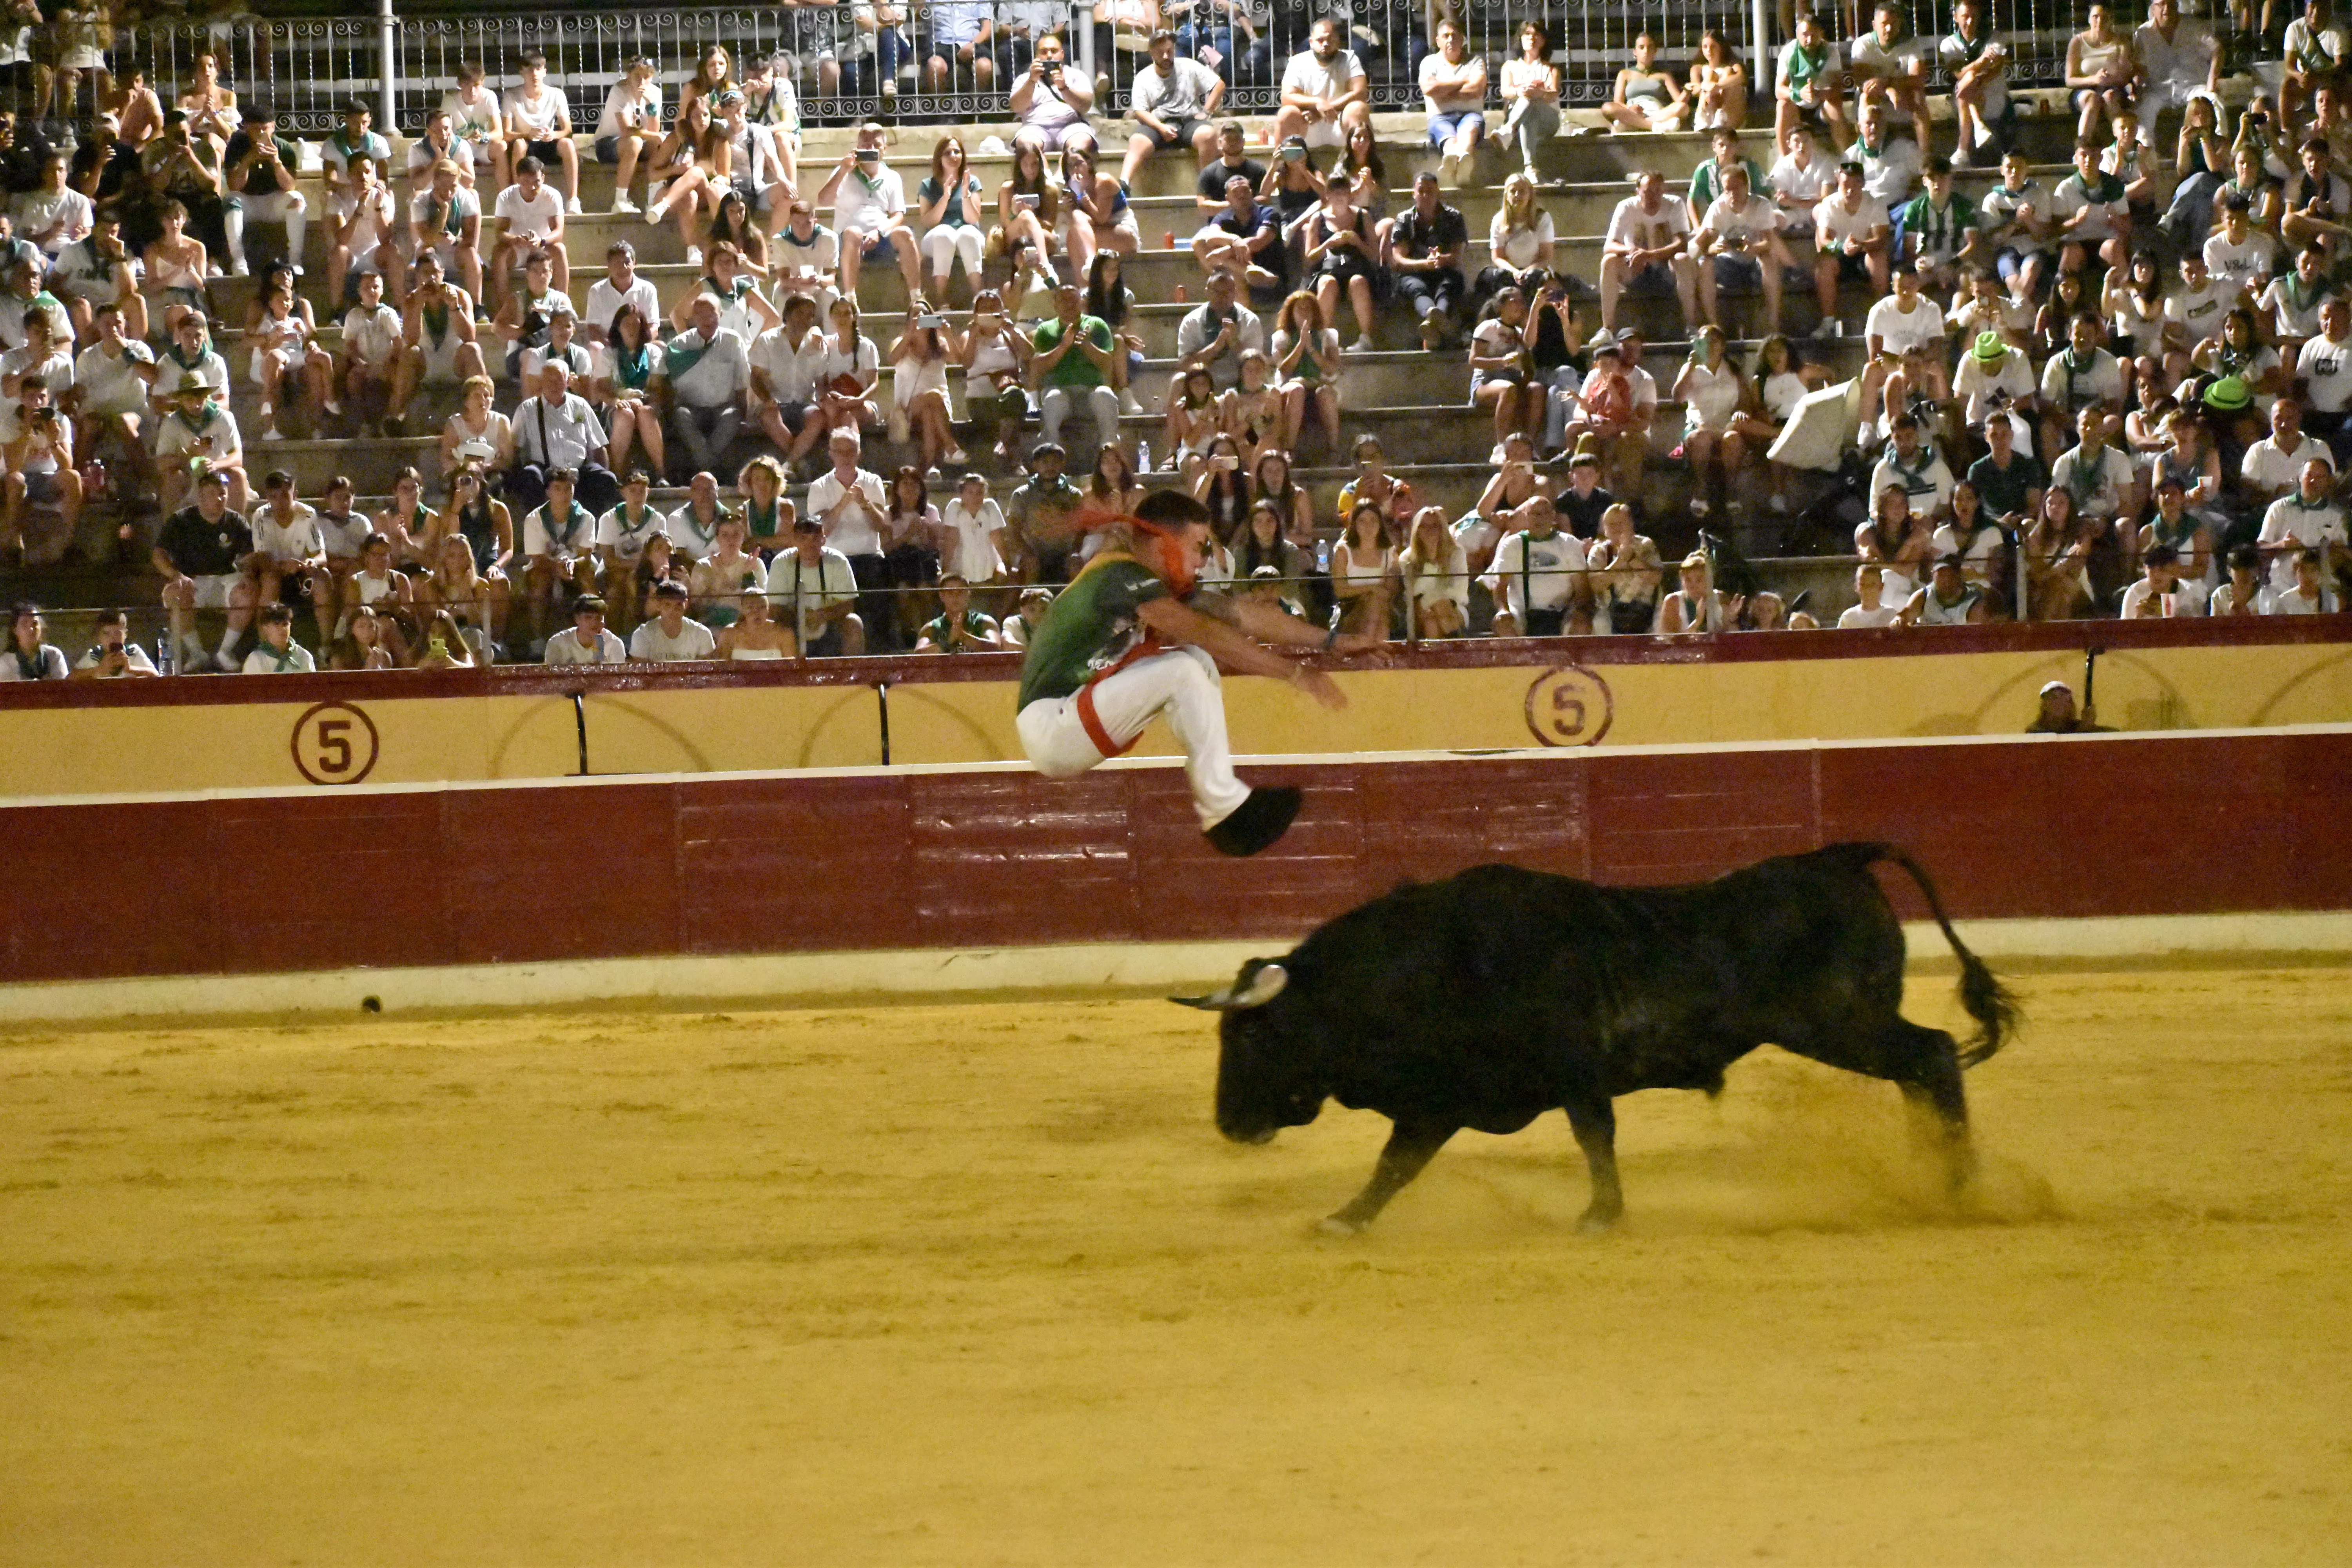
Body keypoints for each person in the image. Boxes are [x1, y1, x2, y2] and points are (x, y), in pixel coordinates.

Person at [1015, 488, 1371, 857]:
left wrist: (1331, 640)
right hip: (1054, 726)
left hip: (1074, 716)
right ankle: (1224, 808)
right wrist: (1296, 674)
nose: (1203, 561)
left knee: (1195, 661)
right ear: (1163, 542)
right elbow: (1204, 629)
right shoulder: (1121, 575)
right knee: (1184, 668)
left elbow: (1243, 615)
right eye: (1198, 545)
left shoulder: (1141, 580)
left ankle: (1220, 796)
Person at [153, 468, 259, 672]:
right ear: (201, 497)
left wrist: (249, 574)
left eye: (223, 494)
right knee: (175, 594)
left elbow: (250, 556)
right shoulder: (181, 520)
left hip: (226, 579)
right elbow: (158, 555)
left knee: (249, 592)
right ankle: (197, 653)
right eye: (213, 494)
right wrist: (176, 575)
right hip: (192, 581)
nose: (220, 499)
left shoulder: (236, 521)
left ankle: (225, 652)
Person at [1600, 169, 1698, 338]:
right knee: (1609, 261)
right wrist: (1631, 251)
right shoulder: (1626, 207)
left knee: (1683, 259)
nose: (1653, 197)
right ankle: (1607, 329)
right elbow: (1609, 245)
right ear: (1638, 192)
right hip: (1636, 269)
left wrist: (1651, 254)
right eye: (1647, 192)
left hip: (1667, 270)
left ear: (1664, 191)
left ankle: (1691, 325)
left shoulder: (1675, 204)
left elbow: (1682, 243)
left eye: (1658, 192)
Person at [1696, 162, 1789, 338]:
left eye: (1736, 189)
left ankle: (1773, 324)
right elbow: (1704, 246)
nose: (1731, 194)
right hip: (1727, 262)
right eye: (1727, 190)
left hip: (1753, 261)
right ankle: (1713, 325)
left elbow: (1770, 242)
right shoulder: (1717, 208)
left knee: (1769, 261)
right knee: (1705, 265)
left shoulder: (1761, 205)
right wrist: (1713, 248)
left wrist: (1754, 248)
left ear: (1746, 187)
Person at [665, 294, 751, 480]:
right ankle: (713, 468)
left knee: (734, 416)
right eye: (700, 315)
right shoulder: (680, 346)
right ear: (692, 318)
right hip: (692, 408)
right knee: (680, 415)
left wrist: (744, 414)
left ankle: (699, 468)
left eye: (712, 314)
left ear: (721, 315)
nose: (707, 320)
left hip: (723, 408)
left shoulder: (733, 341)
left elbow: (742, 383)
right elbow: (670, 388)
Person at [1122, 29, 1223, 187]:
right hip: (1159, 122)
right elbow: (1140, 112)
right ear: (1152, 53)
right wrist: (1161, 127)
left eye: (1169, 51)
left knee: (1208, 135)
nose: (1166, 57)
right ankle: (1124, 184)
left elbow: (1219, 85)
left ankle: (1206, 187)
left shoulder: (1189, 66)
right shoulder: (1143, 77)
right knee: (1137, 140)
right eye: (1160, 53)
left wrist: (1207, 111)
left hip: (1190, 120)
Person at [220, 102, 305, 279]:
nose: (260, 134)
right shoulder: (237, 145)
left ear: (273, 127)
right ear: (246, 127)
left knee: (297, 200)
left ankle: (295, 261)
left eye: (264, 129)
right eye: (255, 129)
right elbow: (235, 186)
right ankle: (239, 261)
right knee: (231, 200)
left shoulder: (283, 148)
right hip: (248, 202)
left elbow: (290, 186)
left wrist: (276, 162)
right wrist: (248, 160)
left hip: (274, 202)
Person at [1031, 283, 1119, 453]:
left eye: (1074, 300)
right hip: (1058, 390)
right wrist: (1064, 347)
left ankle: (1109, 453)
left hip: (1091, 391)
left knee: (1106, 396)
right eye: (1064, 300)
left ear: (1081, 303)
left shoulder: (1097, 325)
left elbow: (1108, 363)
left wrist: (1087, 346)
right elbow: (1040, 366)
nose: (1069, 304)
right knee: (1053, 399)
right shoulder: (1045, 330)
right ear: (1055, 305)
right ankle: (1052, 455)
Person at [1391, 169, 1467, 351]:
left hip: (1444, 271)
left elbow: (1457, 256)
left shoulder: (1454, 217)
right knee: (1414, 286)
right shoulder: (1404, 219)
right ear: (1414, 194)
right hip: (1415, 273)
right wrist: (1424, 264)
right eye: (1421, 191)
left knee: (1449, 284)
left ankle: (1433, 322)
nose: (1425, 196)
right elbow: (1398, 259)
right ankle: (1434, 315)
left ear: (1438, 193)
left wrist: (1441, 260)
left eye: (1430, 192)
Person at [772, 514, 866, 654]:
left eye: (815, 539)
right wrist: (801, 618)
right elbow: (774, 609)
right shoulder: (781, 563)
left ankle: (850, 674)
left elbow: (848, 605)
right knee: (773, 627)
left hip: (830, 624)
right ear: (794, 540)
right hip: (792, 625)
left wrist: (821, 615)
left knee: (854, 623)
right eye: (803, 539)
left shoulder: (838, 561)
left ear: (824, 540)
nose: (809, 545)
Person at [1274, 16, 1369, 154]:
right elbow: (1287, 98)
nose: (1325, 44)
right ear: (1311, 42)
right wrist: (1317, 103)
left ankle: (1360, 170)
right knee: (1286, 113)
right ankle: (1285, 170)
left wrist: (1323, 112)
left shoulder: (1350, 59)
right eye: (1320, 40)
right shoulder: (1297, 62)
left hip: (1340, 124)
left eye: (1330, 40)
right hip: (1308, 126)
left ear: (1338, 41)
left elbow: (1361, 93)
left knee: (1358, 108)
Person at [503, 53, 583, 215]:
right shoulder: (511, 95)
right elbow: (507, 134)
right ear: (522, 72)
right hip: (525, 143)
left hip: (548, 142)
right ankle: (516, 198)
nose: (534, 74)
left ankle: (573, 200)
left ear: (545, 71)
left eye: (538, 69)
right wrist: (527, 133)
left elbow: (567, 130)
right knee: (518, 145)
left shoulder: (556, 94)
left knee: (567, 144)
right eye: (529, 69)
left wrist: (553, 135)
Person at [409, 156, 485, 306]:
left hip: (455, 249)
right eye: (444, 185)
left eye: (454, 186)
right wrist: (444, 210)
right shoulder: (420, 202)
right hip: (433, 249)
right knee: (425, 252)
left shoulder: (465, 198)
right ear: (435, 181)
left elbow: (471, 239)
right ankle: (423, 304)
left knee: (471, 254)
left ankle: (477, 307)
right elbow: (427, 238)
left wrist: (455, 240)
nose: (449, 192)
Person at [1942, 0, 2010, 166]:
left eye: (1974, 17)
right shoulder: (1949, 44)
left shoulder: (1994, 38)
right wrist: (1981, 61)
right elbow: (1958, 73)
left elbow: (1996, 68)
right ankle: (1978, 127)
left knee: (1969, 79)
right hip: (1963, 98)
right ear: (1956, 17)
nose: (1970, 21)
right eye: (1965, 16)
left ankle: (1962, 149)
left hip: (1991, 96)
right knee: (1968, 78)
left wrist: (1975, 80)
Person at [1419, 20, 1487, 183]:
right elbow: (1429, 89)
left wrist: (1443, 92)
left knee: (1470, 132)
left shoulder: (1476, 61)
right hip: (1440, 117)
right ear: (1438, 41)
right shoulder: (1429, 62)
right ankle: (1461, 169)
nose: (1451, 40)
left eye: (1455, 36)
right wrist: (1463, 82)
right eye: (1446, 36)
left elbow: (1476, 89)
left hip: (1470, 115)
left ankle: (1456, 166)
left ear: (1463, 40)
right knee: (1449, 140)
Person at [1009, 30, 1095, 155]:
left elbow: (1085, 106)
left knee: (1081, 143)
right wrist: (1032, 81)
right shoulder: (1024, 79)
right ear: (1036, 56)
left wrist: (1064, 88)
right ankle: (1046, 173)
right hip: (1035, 128)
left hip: (1071, 126)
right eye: (1044, 52)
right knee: (1027, 145)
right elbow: (1017, 107)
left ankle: (1061, 173)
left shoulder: (1077, 76)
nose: (1049, 56)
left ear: (1062, 54)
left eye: (1054, 51)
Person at [1775, 11, 1851, 154]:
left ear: (1821, 34)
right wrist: (1799, 93)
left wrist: (1819, 93)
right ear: (1798, 34)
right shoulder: (1788, 52)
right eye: (1805, 35)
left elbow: (1839, 86)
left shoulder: (1830, 51)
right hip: (1797, 104)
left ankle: (1845, 157)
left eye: (1814, 35)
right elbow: (1779, 90)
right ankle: (1784, 160)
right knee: (1783, 105)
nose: (1809, 40)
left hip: (1821, 103)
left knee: (1835, 104)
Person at [596, 56, 663, 215]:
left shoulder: (655, 93)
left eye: (646, 78)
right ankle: (620, 200)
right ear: (628, 75)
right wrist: (654, 136)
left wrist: (651, 105)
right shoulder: (619, 91)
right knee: (635, 142)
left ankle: (653, 199)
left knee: (658, 144)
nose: (642, 83)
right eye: (637, 77)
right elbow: (626, 130)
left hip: (639, 144)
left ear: (652, 77)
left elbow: (654, 130)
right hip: (609, 143)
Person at [1498, 20, 1562, 181]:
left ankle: (1508, 131)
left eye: (1537, 35)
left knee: (1531, 100)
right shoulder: (1510, 66)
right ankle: (1530, 168)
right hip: (1520, 117)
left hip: (1547, 119)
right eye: (1527, 34)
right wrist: (1519, 91)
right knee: (1528, 116)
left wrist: (1537, 93)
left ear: (1544, 40)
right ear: (1520, 38)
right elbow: (1505, 91)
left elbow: (1553, 93)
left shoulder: (1551, 69)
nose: (1531, 39)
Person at [1601, 30, 1688, 135]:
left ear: (1655, 51)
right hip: (1633, 112)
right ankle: (1652, 126)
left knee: (1683, 107)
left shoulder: (1664, 75)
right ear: (1635, 52)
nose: (1646, 51)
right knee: (1607, 107)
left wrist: (1687, 91)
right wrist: (1629, 108)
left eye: (1650, 47)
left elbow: (1678, 101)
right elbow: (1617, 102)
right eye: (1642, 48)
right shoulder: (1625, 74)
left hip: (1657, 114)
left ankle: (1638, 124)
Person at [631, 579, 721, 661]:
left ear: (685, 604)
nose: (673, 610)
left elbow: (706, 671)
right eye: (667, 605)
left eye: (678, 605)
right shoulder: (643, 635)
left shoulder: (702, 633)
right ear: (658, 605)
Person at [914, 572, 1002, 652]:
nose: (956, 596)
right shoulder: (932, 628)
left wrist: (964, 637)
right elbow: (919, 654)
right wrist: (948, 641)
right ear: (941, 596)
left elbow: (996, 648)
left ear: (969, 594)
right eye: (950, 592)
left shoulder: (985, 622)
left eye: (961, 591)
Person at [72, 606, 159, 678]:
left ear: (126, 635)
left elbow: (156, 675)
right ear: (99, 636)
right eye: (106, 634)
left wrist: (131, 669)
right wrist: (100, 669)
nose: (113, 638)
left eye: (117, 633)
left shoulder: (133, 652)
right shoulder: (94, 655)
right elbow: (70, 678)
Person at [543, 594, 628, 664]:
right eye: (588, 618)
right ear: (577, 619)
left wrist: (598, 650)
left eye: (599, 618)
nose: (594, 623)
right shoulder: (557, 643)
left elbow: (614, 681)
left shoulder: (615, 644)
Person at [2026, 679, 2108, 732]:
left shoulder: (2076, 726)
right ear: (2044, 705)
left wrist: (2090, 726)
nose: (2060, 702)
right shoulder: (2036, 730)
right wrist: (2084, 729)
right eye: (2054, 698)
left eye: (2065, 698)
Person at [1837, 562, 1903, 626]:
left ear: (1881, 587)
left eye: (1873, 585)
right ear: (1856, 587)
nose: (1868, 589)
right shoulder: (1848, 617)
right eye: (1863, 585)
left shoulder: (1892, 615)